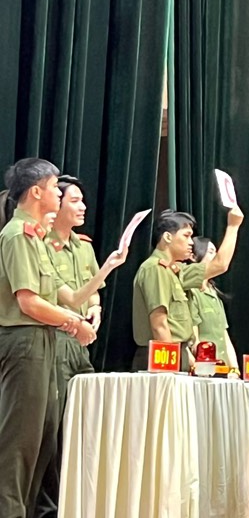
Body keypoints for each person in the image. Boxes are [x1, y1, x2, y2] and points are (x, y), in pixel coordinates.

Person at [0, 159, 96, 517]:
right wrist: (74, 323)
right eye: (56, 187)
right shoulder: (19, 235)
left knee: (43, 438)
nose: (59, 193)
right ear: (37, 192)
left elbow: (65, 295)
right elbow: (29, 301)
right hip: (23, 340)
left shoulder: (38, 238)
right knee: (19, 440)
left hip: (42, 341)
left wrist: (108, 267)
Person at [37, 175, 129, 518]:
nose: (83, 207)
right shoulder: (41, 243)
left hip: (82, 344)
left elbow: (91, 294)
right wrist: (107, 269)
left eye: (82, 199)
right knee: (54, 427)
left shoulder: (84, 246)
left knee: (85, 421)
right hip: (55, 338)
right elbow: (66, 298)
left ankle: (80, 499)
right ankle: (48, 506)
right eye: (74, 200)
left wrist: (96, 310)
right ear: (55, 203)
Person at [132, 206, 243, 370]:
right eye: (186, 236)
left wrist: (233, 227)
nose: (191, 242)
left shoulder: (175, 271)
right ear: (168, 237)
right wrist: (169, 370)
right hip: (162, 355)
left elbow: (220, 265)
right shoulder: (155, 269)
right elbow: (159, 325)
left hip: (178, 353)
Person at [189, 236, 237, 369]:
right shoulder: (192, 292)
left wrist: (235, 369)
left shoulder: (213, 293)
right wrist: (202, 368)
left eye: (216, 252)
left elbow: (225, 337)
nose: (216, 257)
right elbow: (194, 339)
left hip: (222, 367)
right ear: (193, 257)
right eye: (210, 252)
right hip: (204, 367)